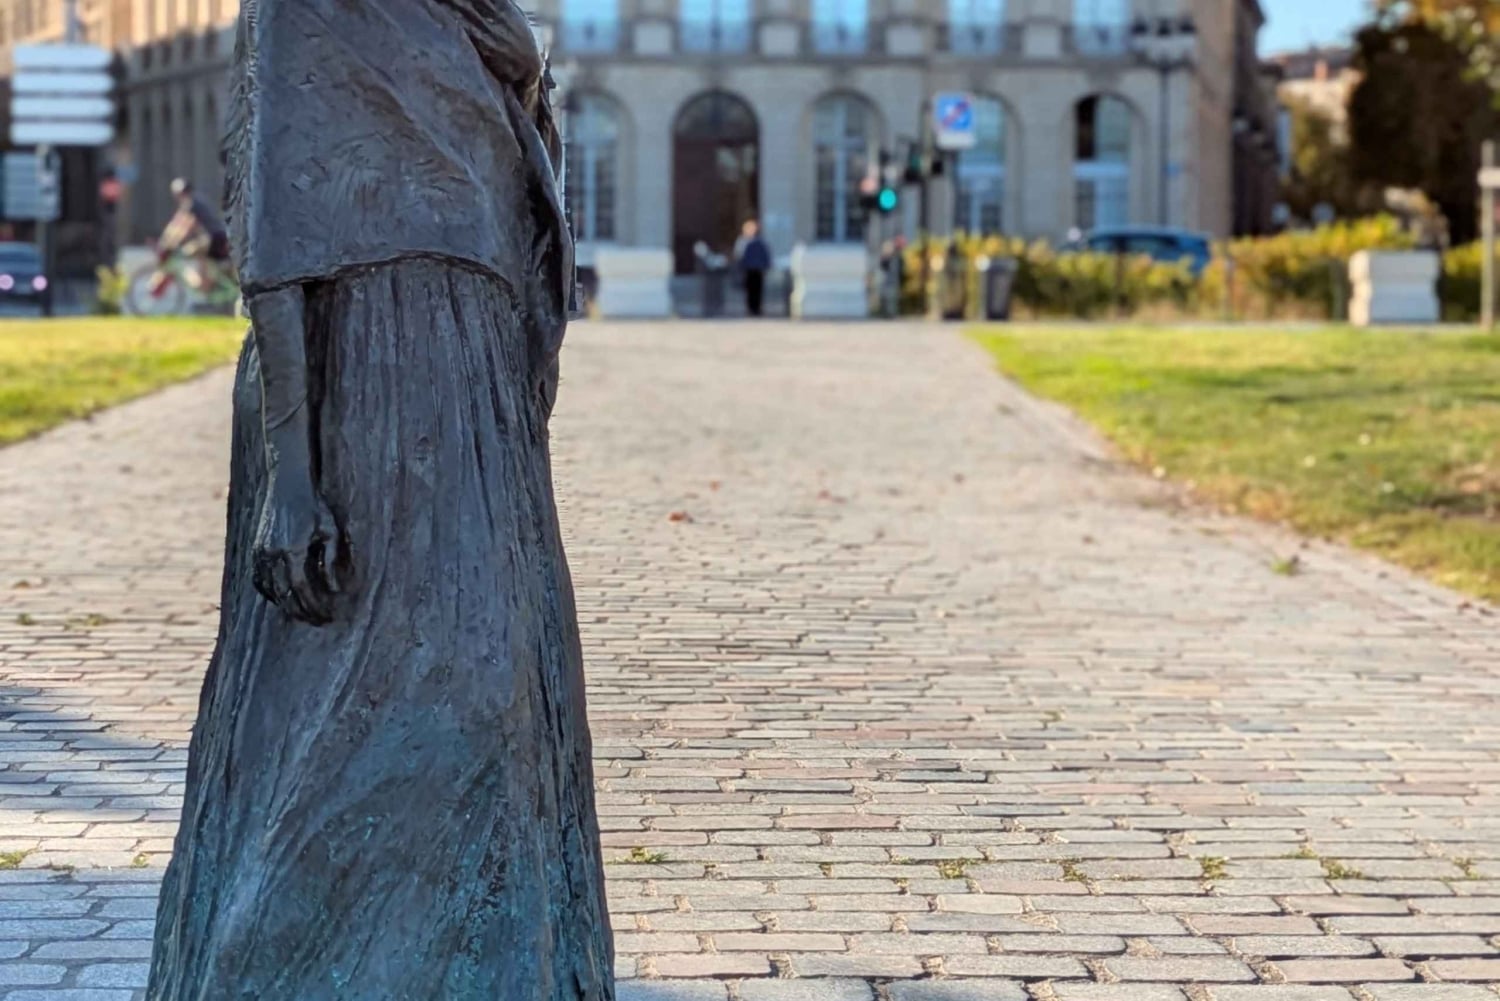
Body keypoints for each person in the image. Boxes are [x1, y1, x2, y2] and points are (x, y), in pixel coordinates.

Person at [145, 1, 611, 998]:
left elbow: (524, 177)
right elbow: (272, 236)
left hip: (467, 379)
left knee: (498, 695)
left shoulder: (483, 28)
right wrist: (294, 478)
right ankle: (284, 967)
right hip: (354, 382)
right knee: (345, 722)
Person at [158, 178, 232, 290]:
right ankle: (207, 282)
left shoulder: (191, 204)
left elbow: (183, 227)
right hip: (217, 237)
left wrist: (170, 244)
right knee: (197, 252)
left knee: (187, 252)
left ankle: (205, 284)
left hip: (214, 238)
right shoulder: (195, 201)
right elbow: (177, 225)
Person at [737, 219, 772, 317]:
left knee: (758, 290)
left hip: (758, 269)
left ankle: (757, 308)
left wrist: (766, 265)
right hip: (748, 269)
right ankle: (750, 308)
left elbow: (765, 254)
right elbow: (739, 255)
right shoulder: (743, 241)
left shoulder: (760, 241)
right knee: (749, 290)